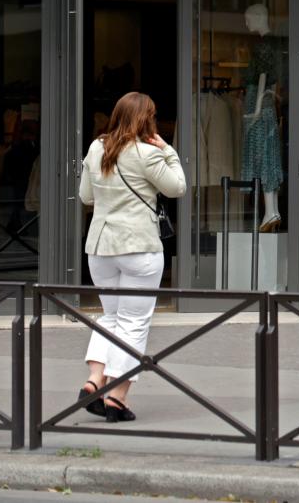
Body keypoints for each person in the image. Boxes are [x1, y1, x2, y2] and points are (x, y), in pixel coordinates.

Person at [77, 92, 187, 423]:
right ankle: (116, 397)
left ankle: (94, 380)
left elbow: (85, 196)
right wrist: (168, 151)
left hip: (101, 248)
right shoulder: (148, 153)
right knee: (134, 323)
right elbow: (177, 187)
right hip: (139, 247)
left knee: (110, 316)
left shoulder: (97, 148)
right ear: (147, 120)